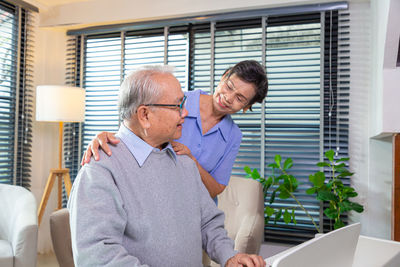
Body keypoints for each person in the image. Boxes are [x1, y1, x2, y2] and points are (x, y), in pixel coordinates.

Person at [68, 65, 265, 267]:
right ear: (144, 115)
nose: (185, 113)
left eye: (240, 98)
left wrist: (229, 256)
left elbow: (207, 222)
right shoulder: (100, 169)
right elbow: (98, 255)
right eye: (178, 106)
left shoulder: (186, 163)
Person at [82, 60, 268, 202]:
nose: (227, 98)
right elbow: (136, 127)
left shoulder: (233, 136)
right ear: (224, 76)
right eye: (229, 87)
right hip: (155, 202)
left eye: (240, 98)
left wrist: (192, 161)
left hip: (199, 217)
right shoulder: (174, 99)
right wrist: (106, 137)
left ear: (246, 107)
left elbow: (216, 188)